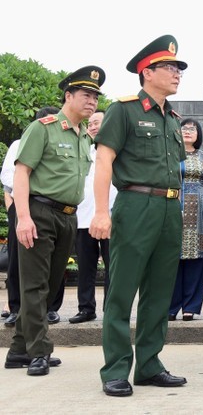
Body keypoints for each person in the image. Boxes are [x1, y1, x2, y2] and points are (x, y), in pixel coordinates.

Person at [90, 34, 189, 396]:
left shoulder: (173, 119)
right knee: (122, 290)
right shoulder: (124, 109)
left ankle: (149, 364)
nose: (177, 73)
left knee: (160, 291)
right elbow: (104, 161)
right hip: (135, 204)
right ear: (147, 72)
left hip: (169, 206)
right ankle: (116, 369)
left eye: (179, 68)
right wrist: (102, 211)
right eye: (170, 67)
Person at [5, 66, 103, 376]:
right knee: (34, 285)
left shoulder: (83, 138)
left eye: (96, 97)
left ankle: (19, 350)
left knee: (48, 285)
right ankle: (39, 351)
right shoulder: (43, 128)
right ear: (68, 95)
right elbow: (22, 173)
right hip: (39, 212)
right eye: (86, 95)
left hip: (67, 217)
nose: (92, 101)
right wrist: (22, 218)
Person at [2, 107, 66, 329]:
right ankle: (16, 308)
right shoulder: (19, 144)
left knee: (56, 261)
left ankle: (50, 309)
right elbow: (9, 177)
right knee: (18, 260)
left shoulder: (66, 142)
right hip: (24, 204)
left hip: (55, 208)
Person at [169, 118, 203, 321]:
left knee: (197, 258)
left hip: (199, 212)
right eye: (184, 128)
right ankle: (171, 307)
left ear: (198, 134)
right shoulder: (171, 153)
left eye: (193, 129)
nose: (188, 131)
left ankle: (190, 306)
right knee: (172, 257)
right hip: (175, 207)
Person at [69, 111, 117, 324]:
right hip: (84, 218)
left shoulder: (119, 151)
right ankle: (86, 308)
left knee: (112, 266)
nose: (93, 126)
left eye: (98, 122)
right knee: (86, 268)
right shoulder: (81, 150)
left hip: (111, 218)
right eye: (90, 123)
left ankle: (112, 309)